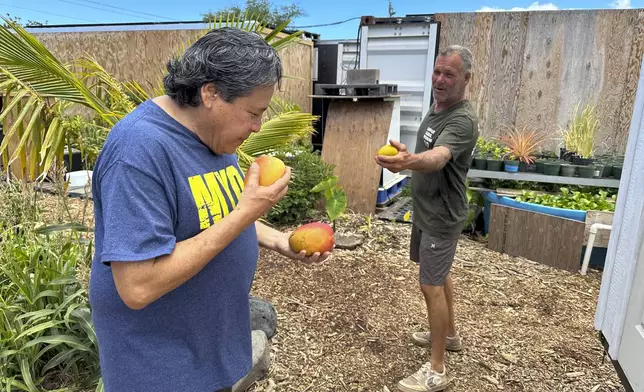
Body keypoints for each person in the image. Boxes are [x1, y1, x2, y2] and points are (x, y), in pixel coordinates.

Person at [89, 27, 330, 392]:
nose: (257, 126)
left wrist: (280, 240)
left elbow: (218, 211)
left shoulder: (213, 135)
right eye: (252, 112)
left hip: (205, 354)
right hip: (159, 369)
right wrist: (244, 216)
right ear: (211, 93)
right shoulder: (139, 151)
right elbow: (137, 286)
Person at [375, 45, 479, 392]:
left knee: (430, 285)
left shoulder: (461, 120)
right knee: (439, 274)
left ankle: (437, 369)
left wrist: (408, 162)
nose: (439, 80)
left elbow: (438, 158)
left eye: (449, 74)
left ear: (466, 79)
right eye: (437, 71)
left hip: (441, 217)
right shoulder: (438, 108)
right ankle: (449, 335)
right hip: (425, 210)